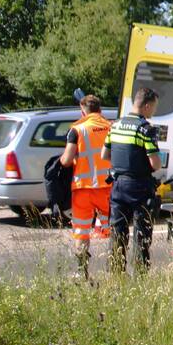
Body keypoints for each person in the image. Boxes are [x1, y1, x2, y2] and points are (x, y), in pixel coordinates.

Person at [102, 87, 161, 274]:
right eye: (154, 107)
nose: (153, 111)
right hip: (140, 186)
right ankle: (140, 274)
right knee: (141, 232)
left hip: (118, 185)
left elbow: (104, 155)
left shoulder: (115, 125)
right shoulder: (146, 129)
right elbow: (155, 164)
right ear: (147, 105)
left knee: (117, 231)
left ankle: (116, 273)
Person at [59, 94, 112, 278]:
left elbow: (66, 160)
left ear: (82, 111)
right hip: (108, 187)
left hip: (83, 189)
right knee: (114, 229)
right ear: (100, 110)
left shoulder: (77, 130)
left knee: (82, 232)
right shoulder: (111, 127)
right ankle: (116, 269)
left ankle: (82, 272)